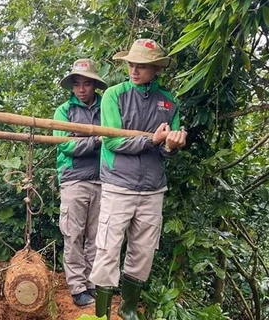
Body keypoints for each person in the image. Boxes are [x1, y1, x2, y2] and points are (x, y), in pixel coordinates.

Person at [89, 39, 187, 319]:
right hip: (118, 184)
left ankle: (128, 308)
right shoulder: (114, 95)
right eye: (131, 64)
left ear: (156, 68)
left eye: (142, 66)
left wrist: (171, 144)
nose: (134, 70)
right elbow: (111, 141)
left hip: (153, 188)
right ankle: (102, 313)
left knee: (143, 250)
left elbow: (169, 148)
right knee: (108, 246)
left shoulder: (168, 101)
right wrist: (151, 141)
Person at [53, 59, 108, 307]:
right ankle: (77, 286)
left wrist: (83, 139)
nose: (81, 89)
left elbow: (114, 140)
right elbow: (65, 145)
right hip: (74, 179)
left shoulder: (106, 109)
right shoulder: (64, 111)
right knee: (73, 234)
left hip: (103, 179)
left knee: (96, 235)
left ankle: (91, 283)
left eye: (86, 84)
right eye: (77, 84)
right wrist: (96, 140)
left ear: (94, 85)